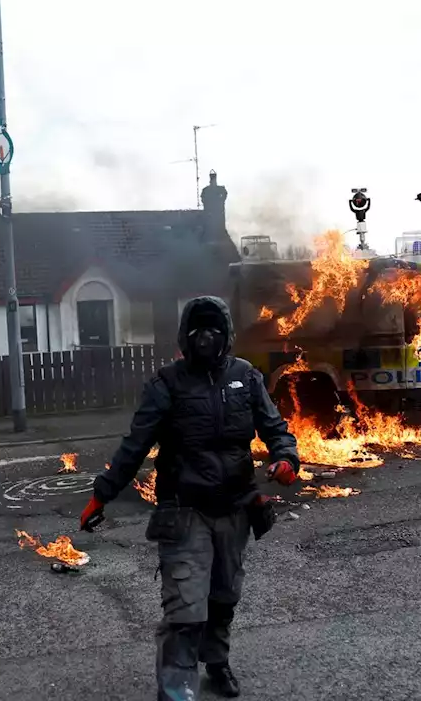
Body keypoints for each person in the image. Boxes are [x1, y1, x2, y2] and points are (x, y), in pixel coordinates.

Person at [79, 296, 300, 701]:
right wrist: (101, 494)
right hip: (185, 510)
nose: (206, 337)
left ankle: (216, 662)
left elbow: (276, 428)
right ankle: (176, 690)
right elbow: (135, 444)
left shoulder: (245, 377)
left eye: (214, 328)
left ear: (227, 333)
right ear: (185, 335)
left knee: (223, 597)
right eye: (198, 329)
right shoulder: (167, 384)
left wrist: (286, 458)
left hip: (236, 506)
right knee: (185, 608)